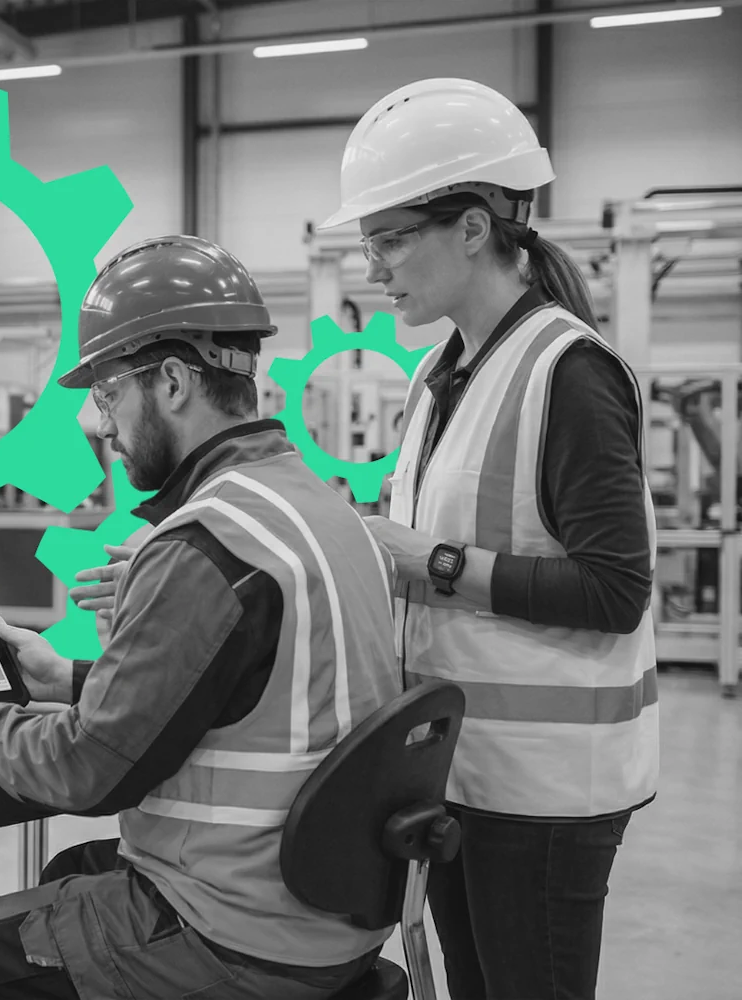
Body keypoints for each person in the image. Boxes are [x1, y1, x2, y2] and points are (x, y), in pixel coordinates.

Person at [0, 235, 404, 1000]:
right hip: (328, 908)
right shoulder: (325, 511)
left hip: (234, 931)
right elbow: (252, 694)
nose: (101, 426)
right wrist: (71, 679)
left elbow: (86, 773)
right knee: (67, 875)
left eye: (109, 394)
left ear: (176, 382)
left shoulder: (204, 543)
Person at [316, 78, 660, 999]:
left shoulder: (568, 372)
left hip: (546, 794)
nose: (377, 268)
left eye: (391, 240)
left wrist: (424, 561)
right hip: (459, 770)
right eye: (368, 245)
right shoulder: (443, 373)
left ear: (472, 227)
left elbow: (615, 589)